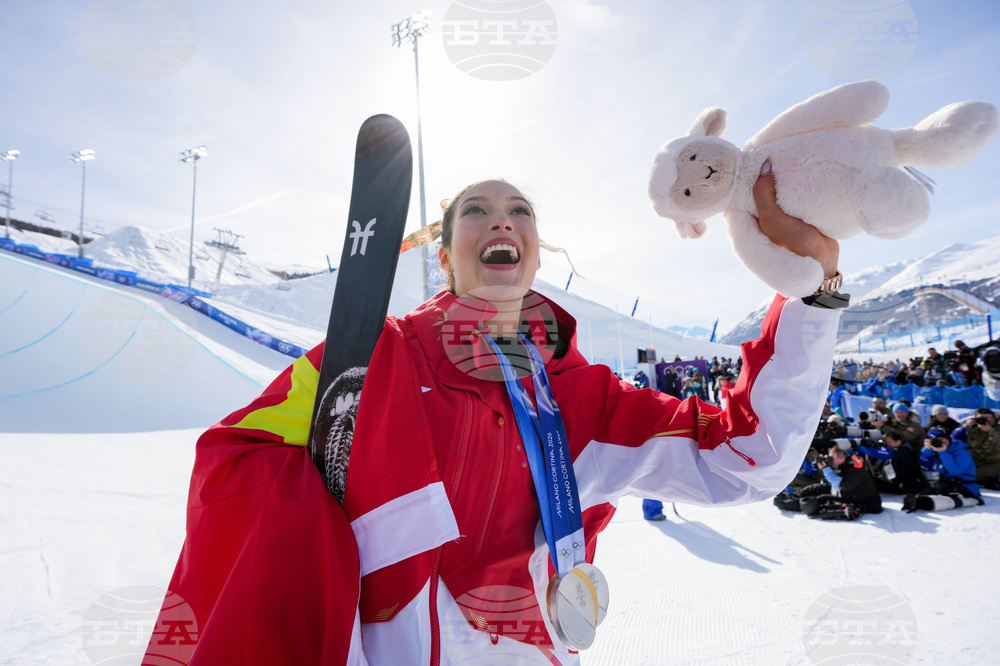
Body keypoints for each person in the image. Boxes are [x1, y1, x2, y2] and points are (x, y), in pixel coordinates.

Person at [145, 174, 844, 664]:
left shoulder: (584, 398)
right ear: (446, 258)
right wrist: (371, 531)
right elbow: (233, 462)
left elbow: (745, 458)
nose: (503, 218)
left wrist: (813, 291)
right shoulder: (367, 356)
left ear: (535, 254)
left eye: (520, 209)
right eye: (476, 210)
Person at [774, 444, 882, 519]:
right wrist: (825, 466)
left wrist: (826, 469)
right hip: (847, 492)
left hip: (862, 500)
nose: (829, 461)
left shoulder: (856, 470)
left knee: (821, 499)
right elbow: (833, 482)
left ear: (841, 458)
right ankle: (790, 496)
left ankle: (787, 504)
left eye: (831, 459)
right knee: (816, 488)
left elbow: (842, 486)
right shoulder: (844, 464)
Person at [903, 428, 983, 512]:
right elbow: (925, 466)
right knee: (909, 485)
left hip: (964, 486)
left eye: (943, 438)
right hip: (944, 482)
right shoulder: (935, 450)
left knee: (937, 485)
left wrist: (943, 452)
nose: (941, 442)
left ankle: (917, 500)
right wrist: (927, 450)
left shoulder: (961, 452)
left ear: (948, 438)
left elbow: (955, 471)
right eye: (937, 440)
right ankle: (922, 499)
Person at [858, 431, 924, 494]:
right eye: (885, 442)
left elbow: (881, 454)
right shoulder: (892, 451)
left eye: (889, 442)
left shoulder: (904, 452)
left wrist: (861, 447)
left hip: (904, 484)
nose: (887, 444)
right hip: (892, 481)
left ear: (898, 442)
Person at [952, 408, 1000, 489]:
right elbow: (953, 438)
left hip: (993, 462)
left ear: (993, 418)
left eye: (988, 418)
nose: (985, 421)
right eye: (981, 418)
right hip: (974, 461)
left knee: (971, 475)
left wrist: (991, 431)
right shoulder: (972, 428)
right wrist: (965, 427)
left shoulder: (997, 429)